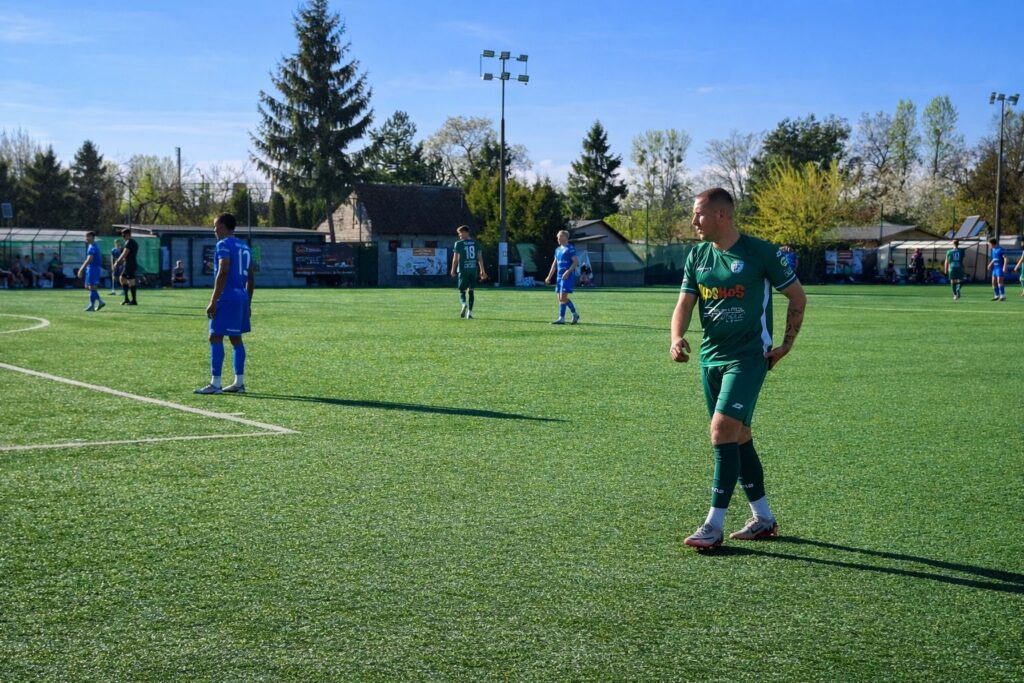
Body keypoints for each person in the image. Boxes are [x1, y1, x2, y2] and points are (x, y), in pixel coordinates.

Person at [671, 188, 806, 550]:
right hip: (710, 358)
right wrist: (676, 337)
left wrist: (786, 344)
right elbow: (684, 303)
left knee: (721, 431)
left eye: (698, 214)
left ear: (721, 215)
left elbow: (797, 295)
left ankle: (712, 525)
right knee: (739, 435)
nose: (693, 221)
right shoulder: (697, 256)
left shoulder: (761, 252)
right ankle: (763, 519)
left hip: (748, 358)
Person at [195, 213, 254, 395]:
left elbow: (223, 270)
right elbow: (251, 278)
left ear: (221, 227)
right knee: (236, 339)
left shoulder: (223, 244)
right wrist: (248, 303)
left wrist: (213, 300)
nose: (214, 230)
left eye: (215, 226)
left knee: (215, 337)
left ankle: (215, 383)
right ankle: (239, 382)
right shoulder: (245, 246)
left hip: (226, 297)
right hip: (242, 297)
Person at [450, 225, 487, 318]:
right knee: (471, 291)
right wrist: (482, 270)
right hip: (473, 270)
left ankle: (464, 304)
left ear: (466, 232)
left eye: (460, 233)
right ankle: (469, 313)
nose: (459, 235)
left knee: (462, 291)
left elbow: (455, 259)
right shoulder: (476, 243)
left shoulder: (458, 244)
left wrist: (453, 270)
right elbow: (480, 258)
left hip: (463, 270)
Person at [544, 229, 580, 324]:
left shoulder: (570, 248)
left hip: (567, 276)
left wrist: (567, 272)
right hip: (559, 277)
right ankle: (571, 315)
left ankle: (564, 317)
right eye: (557, 237)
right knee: (560, 298)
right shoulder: (558, 250)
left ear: (564, 237)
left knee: (563, 298)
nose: (557, 238)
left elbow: (576, 262)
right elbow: (554, 265)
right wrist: (549, 277)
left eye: (559, 236)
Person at [76, 232, 106, 312]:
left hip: (94, 268)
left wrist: (81, 269)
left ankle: (91, 306)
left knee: (92, 287)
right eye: (86, 237)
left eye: (88, 237)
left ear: (92, 237)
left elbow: (89, 259)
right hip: (91, 268)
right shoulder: (91, 245)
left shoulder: (93, 246)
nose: (86, 239)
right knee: (88, 287)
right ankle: (100, 301)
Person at [112, 229, 139, 305]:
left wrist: (117, 262)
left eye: (123, 235)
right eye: (122, 235)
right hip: (129, 263)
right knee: (122, 278)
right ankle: (126, 299)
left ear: (128, 234)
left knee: (131, 281)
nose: (122, 236)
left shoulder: (129, 242)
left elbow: (125, 253)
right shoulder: (132, 242)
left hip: (130, 264)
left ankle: (134, 300)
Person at [986, 237, 1007, 301]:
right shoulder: (993, 250)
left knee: (999, 281)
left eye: (989, 244)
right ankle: (997, 295)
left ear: (992, 244)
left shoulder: (1000, 249)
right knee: (993, 282)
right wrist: (990, 264)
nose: (989, 245)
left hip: (1000, 267)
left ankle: (1002, 296)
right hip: (995, 268)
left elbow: (1005, 258)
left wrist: (1004, 266)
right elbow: (994, 258)